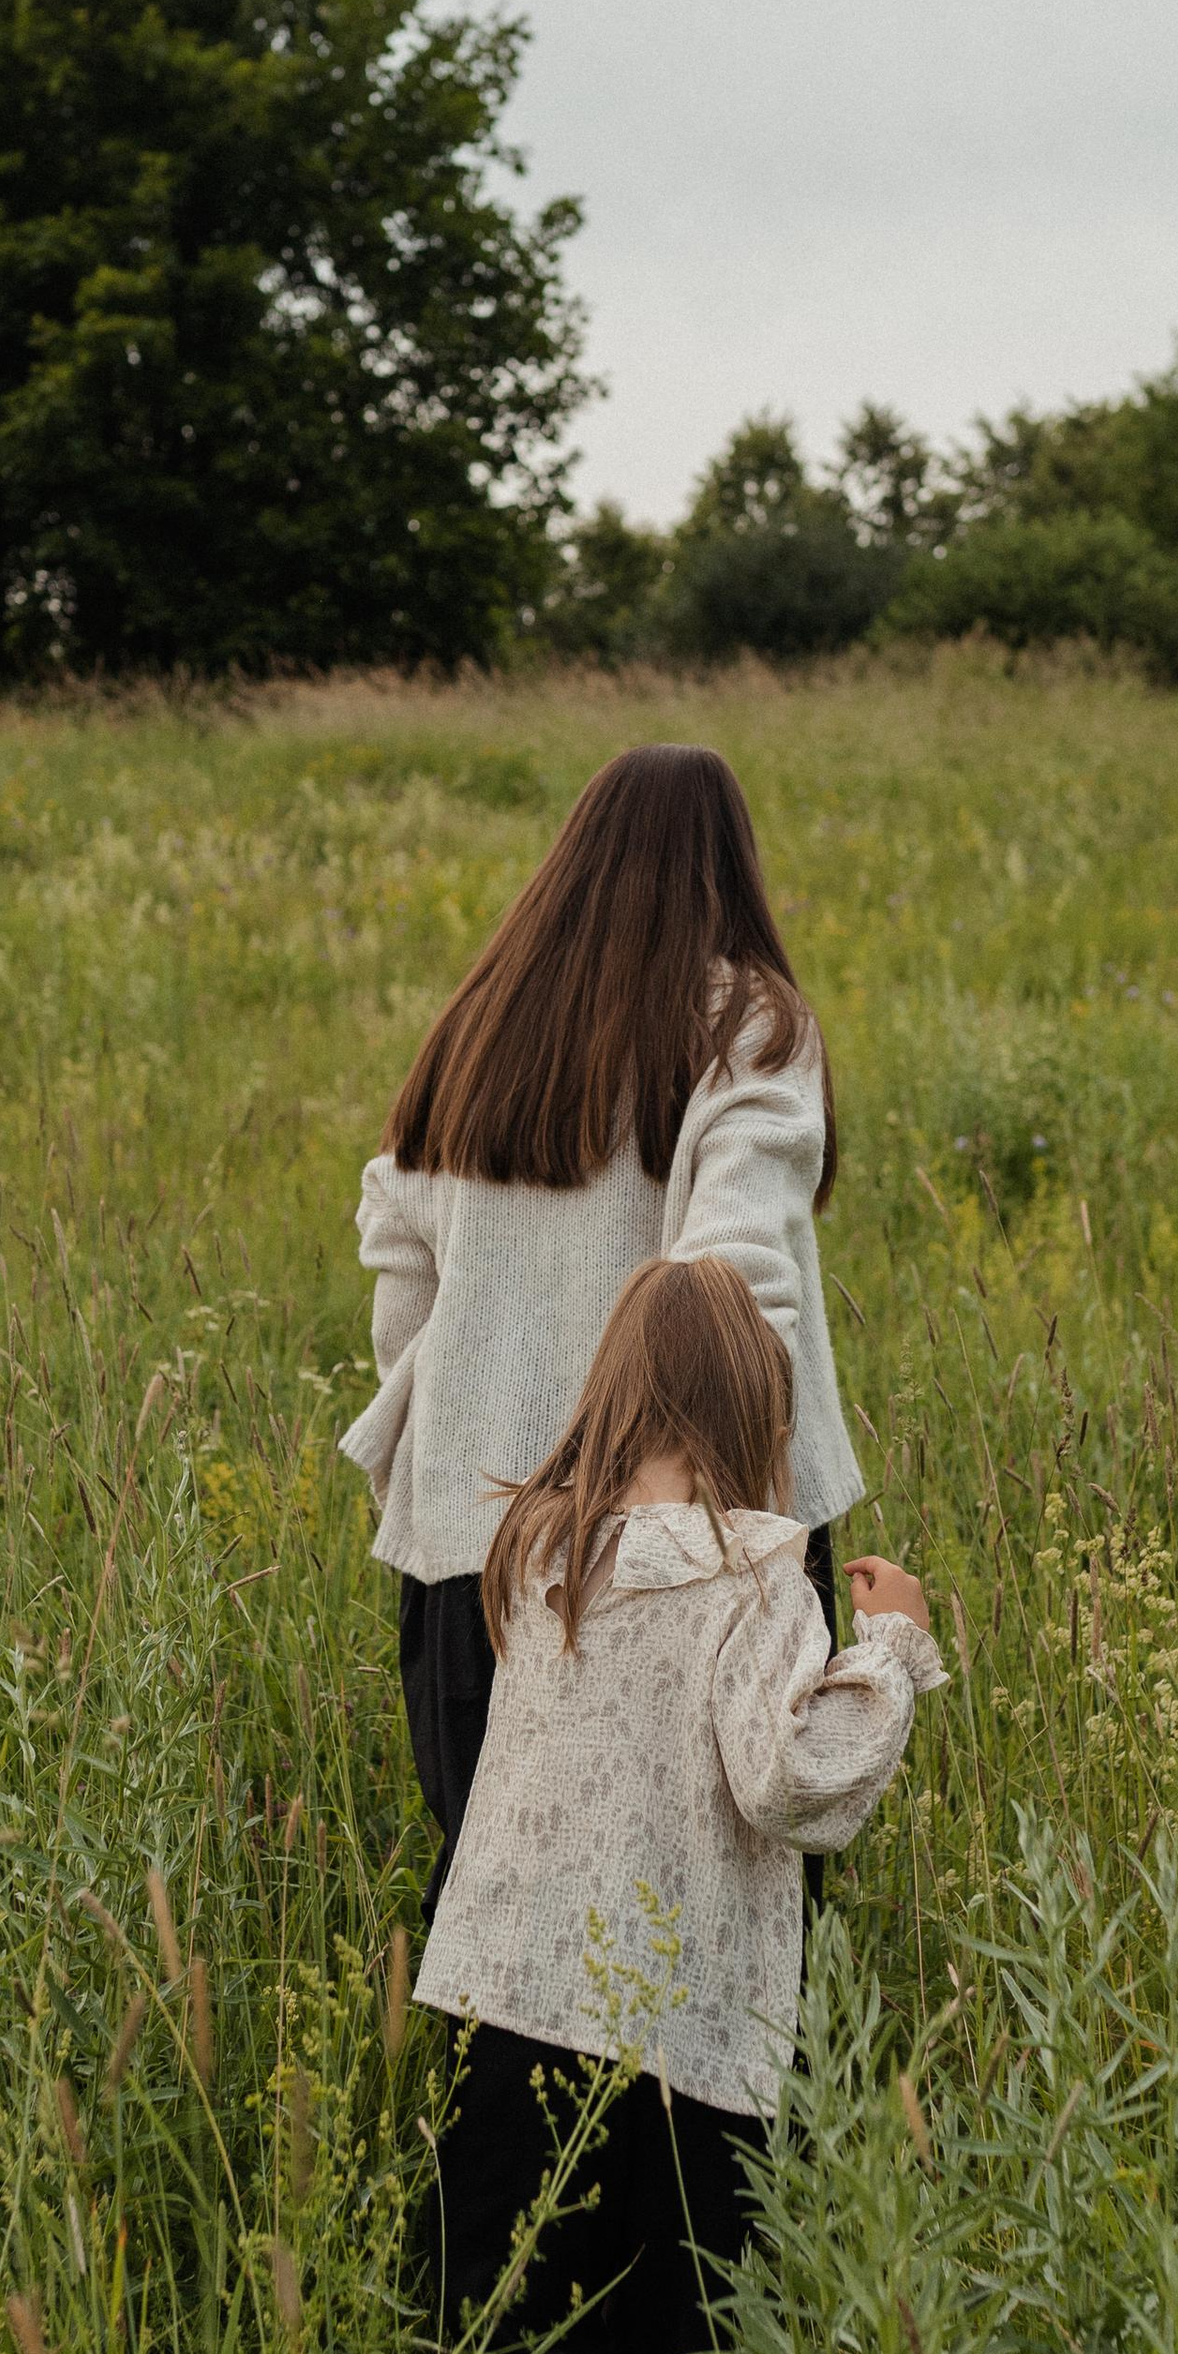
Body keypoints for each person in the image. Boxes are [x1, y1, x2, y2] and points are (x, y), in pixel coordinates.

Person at [413, 1255, 942, 2354]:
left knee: (507, 2308)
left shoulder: (538, 1552)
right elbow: (794, 1782)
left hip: (511, 2008)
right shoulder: (753, 1573)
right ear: (755, 1411)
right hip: (692, 2042)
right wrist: (890, 1653)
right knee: (676, 2339)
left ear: (613, 1395)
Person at [338, 743, 862, 1904]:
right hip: (692, 1541)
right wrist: (705, 1525)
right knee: (724, 1920)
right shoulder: (749, 1023)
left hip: (475, 1546)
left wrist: (436, 1473)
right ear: (731, 866)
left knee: (498, 1918)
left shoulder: (479, 1026)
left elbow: (398, 1274)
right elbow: (736, 1277)